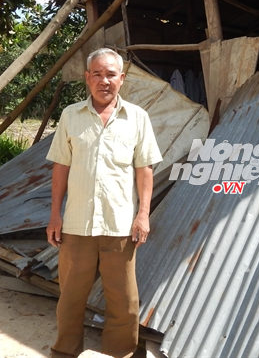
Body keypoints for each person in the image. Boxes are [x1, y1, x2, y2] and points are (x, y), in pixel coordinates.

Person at [46, 47, 162, 358]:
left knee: (124, 302)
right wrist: (55, 214)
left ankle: (120, 354)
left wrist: (143, 215)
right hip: (77, 224)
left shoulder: (137, 118)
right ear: (87, 78)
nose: (104, 80)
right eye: (97, 74)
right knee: (70, 299)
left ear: (122, 78)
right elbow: (61, 167)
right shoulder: (71, 116)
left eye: (110, 74)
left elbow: (145, 170)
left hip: (119, 225)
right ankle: (65, 352)